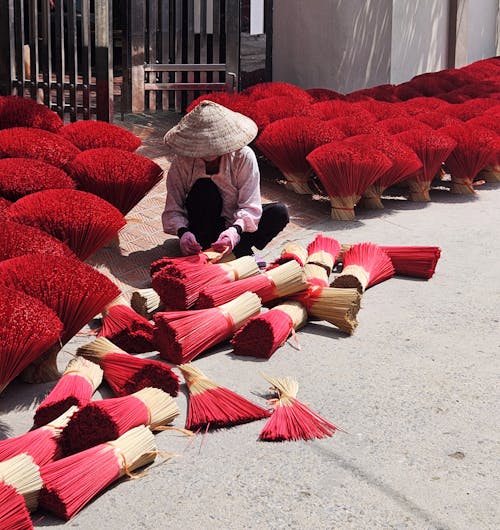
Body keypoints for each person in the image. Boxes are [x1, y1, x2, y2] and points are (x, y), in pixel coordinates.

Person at [161, 100, 289, 263]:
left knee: (279, 212)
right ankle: (212, 248)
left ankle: (240, 248)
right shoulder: (182, 161)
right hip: (202, 223)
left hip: (235, 224)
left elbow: (250, 205)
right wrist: (183, 233)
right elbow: (173, 208)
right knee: (205, 189)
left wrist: (234, 231)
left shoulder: (243, 156)